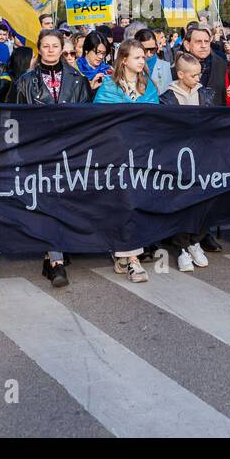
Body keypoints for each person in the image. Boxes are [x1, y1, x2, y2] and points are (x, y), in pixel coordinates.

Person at [12, 29, 91, 288]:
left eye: (55, 45)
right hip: (39, 150)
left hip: (70, 149)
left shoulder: (78, 80)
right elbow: (14, 117)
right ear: (40, 49)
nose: (50, 50)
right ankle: (55, 260)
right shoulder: (25, 81)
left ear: (62, 48)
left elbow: (87, 118)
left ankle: (55, 252)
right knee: (47, 201)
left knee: (65, 200)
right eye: (45, 46)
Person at [93, 38, 157, 283]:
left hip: (141, 154)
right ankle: (132, 260)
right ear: (124, 59)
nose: (143, 60)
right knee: (122, 203)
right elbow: (100, 122)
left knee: (135, 203)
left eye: (144, 57)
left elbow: (156, 117)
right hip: (115, 155)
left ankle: (123, 253)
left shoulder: (148, 87)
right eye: (138, 57)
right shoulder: (108, 89)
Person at [158, 51, 217, 271]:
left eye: (199, 74)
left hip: (203, 156)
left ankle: (195, 241)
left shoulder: (207, 95)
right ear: (180, 74)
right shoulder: (167, 98)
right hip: (178, 158)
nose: (198, 79)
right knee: (180, 202)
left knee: (203, 201)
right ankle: (181, 247)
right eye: (193, 75)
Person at [182, 22, 229, 104]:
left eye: (206, 41)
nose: (203, 45)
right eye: (198, 42)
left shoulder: (222, 65)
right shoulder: (177, 68)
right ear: (187, 45)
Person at [125, 22, 172, 96]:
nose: (149, 54)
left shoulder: (165, 66)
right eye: (145, 50)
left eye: (153, 49)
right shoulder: (127, 66)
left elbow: (168, 95)